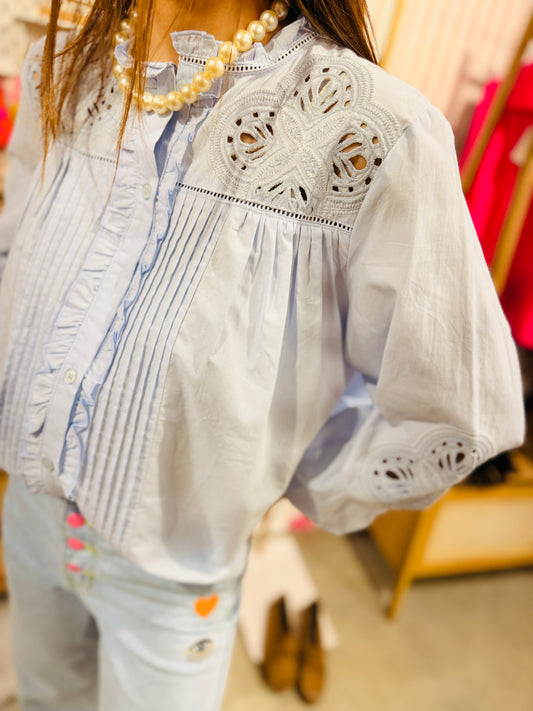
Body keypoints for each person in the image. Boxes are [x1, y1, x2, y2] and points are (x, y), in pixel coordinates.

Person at [0, 0, 525, 709]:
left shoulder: (369, 133)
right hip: (29, 512)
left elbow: (460, 409)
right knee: (44, 698)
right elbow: (13, 250)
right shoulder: (65, 66)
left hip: (174, 573)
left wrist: (277, 469)